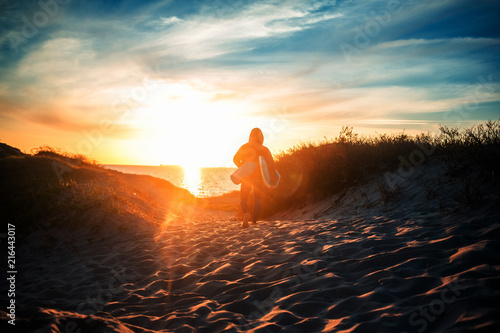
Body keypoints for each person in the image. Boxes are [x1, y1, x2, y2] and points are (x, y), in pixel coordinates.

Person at [233, 128, 278, 228]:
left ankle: (245, 214)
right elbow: (271, 165)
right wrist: (272, 181)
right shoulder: (264, 149)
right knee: (257, 200)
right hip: (259, 178)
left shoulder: (244, 147)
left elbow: (235, 159)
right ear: (260, 137)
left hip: (247, 177)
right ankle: (254, 222)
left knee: (243, 199)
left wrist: (242, 167)